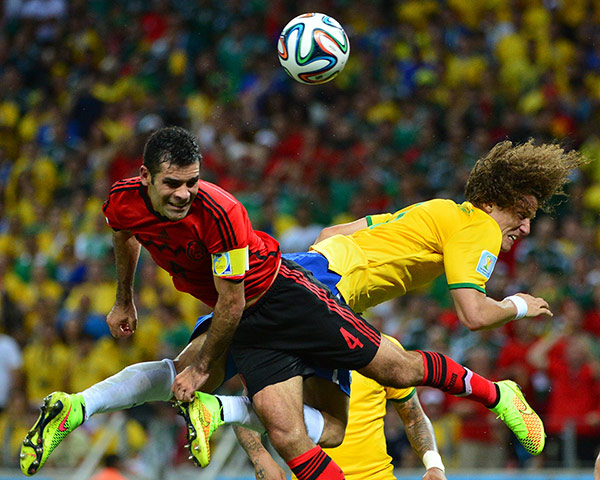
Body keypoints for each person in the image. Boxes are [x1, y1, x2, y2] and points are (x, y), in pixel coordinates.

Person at [19, 127, 581, 478]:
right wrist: (523, 307)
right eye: (523, 211)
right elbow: (475, 314)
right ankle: (496, 394)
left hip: (305, 274)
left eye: (192, 182)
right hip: (313, 286)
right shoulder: (479, 228)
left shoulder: (439, 208)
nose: (526, 227)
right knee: (383, 376)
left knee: (296, 426)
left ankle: (129, 406)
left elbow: (339, 228)